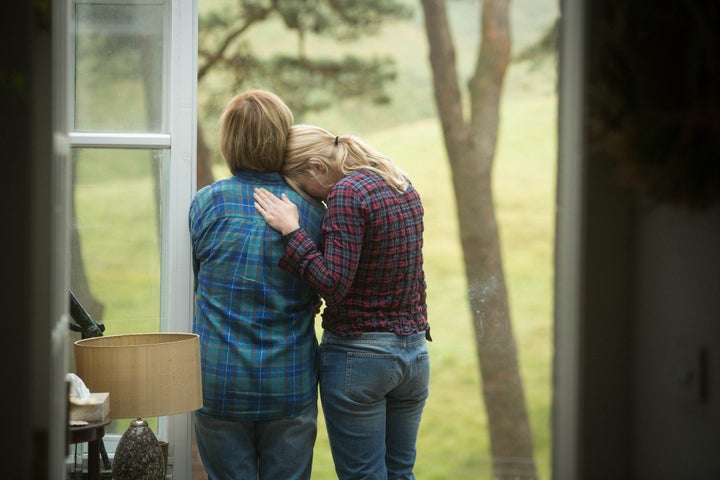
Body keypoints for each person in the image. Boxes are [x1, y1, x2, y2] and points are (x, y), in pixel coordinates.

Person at [253, 124, 431, 480]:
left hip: (360, 359)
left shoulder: (347, 192)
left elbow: (333, 285)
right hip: (414, 357)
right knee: (401, 474)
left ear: (317, 167)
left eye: (305, 190)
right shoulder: (399, 182)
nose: (313, 202)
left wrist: (292, 231)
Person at [189, 91, 325, 480]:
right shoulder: (311, 214)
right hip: (289, 383)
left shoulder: (206, 205)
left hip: (218, 381)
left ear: (228, 141)